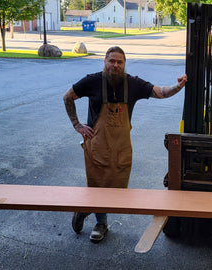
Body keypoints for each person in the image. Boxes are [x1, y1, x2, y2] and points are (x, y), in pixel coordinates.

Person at [63, 46, 187, 243]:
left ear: (124, 64)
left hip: (121, 147)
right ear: (105, 61)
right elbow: (68, 96)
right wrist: (77, 125)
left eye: (120, 62)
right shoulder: (92, 81)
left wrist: (178, 86)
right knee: (97, 186)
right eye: (111, 61)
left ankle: (85, 209)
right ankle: (101, 223)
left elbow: (161, 92)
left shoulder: (133, 84)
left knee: (117, 190)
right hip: (97, 145)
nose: (115, 65)